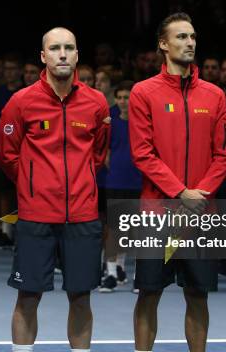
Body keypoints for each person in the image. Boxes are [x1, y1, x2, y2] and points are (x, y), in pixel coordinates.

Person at [0, 27, 110, 352]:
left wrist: (82, 180)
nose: (63, 54)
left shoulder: (96, 103)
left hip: (83, 216)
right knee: (28, 295)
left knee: (80, 296)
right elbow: (8, 155)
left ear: (77, 55)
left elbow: (98, 153)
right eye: (56, 48)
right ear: (43, 56)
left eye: (69, 48)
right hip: (36, 217)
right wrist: (34, 186)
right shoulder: (20, 102)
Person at [129, 13, 226, 352]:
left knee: (197, 295)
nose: (189, 43)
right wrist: (180, 192)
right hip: (157, 213)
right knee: (149, 293)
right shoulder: (144, 92)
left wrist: (198, 195)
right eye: (181, 37)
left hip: (201, 212)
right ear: (163, 44)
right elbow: (143, 153)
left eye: (192, 37)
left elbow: (225, 153)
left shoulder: (215, 95)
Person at [99, 80, 141, 293]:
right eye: (121, 98)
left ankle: (128, 271)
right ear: (115, 100)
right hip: (115, 181)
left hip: (138, 182)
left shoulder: (142, 124)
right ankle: (111, 274)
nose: (125, 102)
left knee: (134, 230)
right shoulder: (110, 123)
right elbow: (103, 151)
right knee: (114, 229)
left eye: (129, 97)